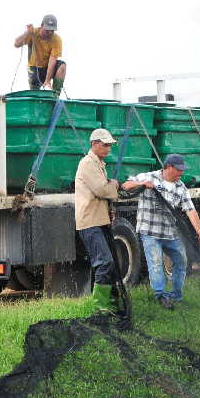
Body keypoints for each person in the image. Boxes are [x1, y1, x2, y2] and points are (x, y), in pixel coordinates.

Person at [122, 154, 200, 310]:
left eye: (183, 170)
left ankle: (176, 295)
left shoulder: (181, 187)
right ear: (168, 167)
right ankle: (160, 295)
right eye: (179, 169)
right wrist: (142, 183)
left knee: (181, 260)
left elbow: (190, 210)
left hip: (170, 233)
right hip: (149, 231)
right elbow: (125, 186)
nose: (181, 173)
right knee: (155, 262)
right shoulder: (150, 177)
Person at [75, 128, 120, 313]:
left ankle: (108, 303)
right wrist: (116, 184)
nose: (108, 148)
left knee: (109, 262)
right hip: (90, 222)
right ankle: (100, 308)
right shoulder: (87, 164)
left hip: (100, 221)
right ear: (94, 144)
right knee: (104, 262)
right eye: (105, 144)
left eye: (109, 145)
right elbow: (102, 189)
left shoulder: (100, 164)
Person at [14, 14, 66, 96]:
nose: (50, 33)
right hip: (34, 68)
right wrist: (27, 33)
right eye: (47, 30)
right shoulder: (33, 33)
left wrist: (48, 80)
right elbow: (16, 44)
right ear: (42, 25)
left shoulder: (56, 39)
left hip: (48, 67)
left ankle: (55, 96)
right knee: (35, 93)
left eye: (52, 31)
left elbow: (52, 61)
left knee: (62, 66)